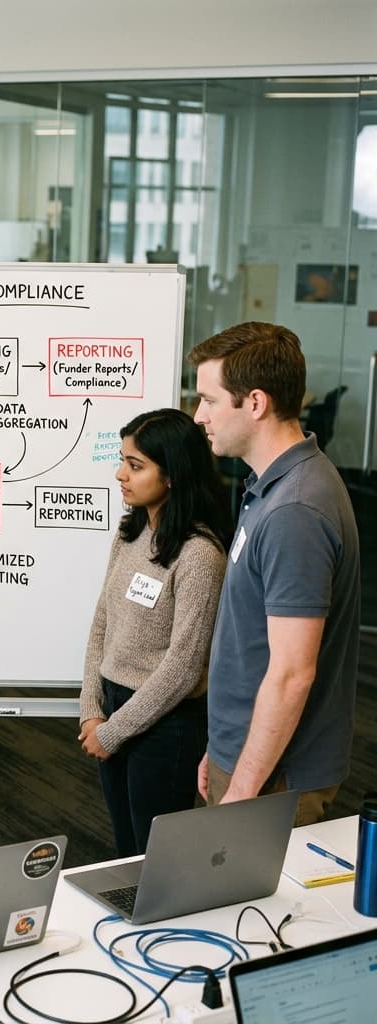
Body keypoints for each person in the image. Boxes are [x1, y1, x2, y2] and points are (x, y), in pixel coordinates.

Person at [189, 321, 361, 825]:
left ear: (256, 403)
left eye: (210, 401)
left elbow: (290, 674)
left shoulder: (296, 511)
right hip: (250, 757)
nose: (199, 416)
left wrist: (242, 787)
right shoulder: (272, 485)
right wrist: (221, 748)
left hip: (273, 778)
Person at [78, 408, 231, 856]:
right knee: (126, 849)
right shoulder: (132, 532)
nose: (120, 474)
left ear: (173, 476)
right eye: (123, 460)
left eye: (135, 465)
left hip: (164, 723)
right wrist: (92, 705)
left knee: (157, 856)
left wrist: (113, 731)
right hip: (113, 705)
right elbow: (101, 621)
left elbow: (183, 668)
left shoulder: (200, 554)